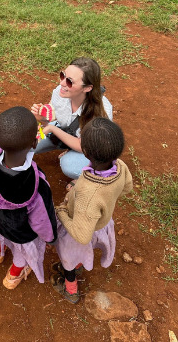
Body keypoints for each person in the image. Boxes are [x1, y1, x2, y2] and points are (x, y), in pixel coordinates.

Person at [0, 106, 58, 289]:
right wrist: (50, 238)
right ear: (35, 143)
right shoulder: (37, 185)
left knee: (0, 239)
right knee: (22, 255)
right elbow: (42, 219)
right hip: (21, 234)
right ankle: (13, 276)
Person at [51, 118, 133, 303]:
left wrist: (61, 212)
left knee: (68, 257)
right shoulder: (119, 166)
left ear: (85, 152)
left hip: (79, 230)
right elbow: (127, 187)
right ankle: (78, 264)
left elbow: (81, 236)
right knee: (76, 255)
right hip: (100, 224)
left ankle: (71, 289)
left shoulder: (89, 194)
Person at [30, 57, 113, 181]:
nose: (62, 83)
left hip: (90, 148)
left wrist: (52, 128)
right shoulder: (61, 92)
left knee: (69, 165)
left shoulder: (101, 113)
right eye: (62, 76)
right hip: (67, 131)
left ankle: (91, 174)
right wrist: (42, 118)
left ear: (87, 88)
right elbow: (55, 117)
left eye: (70, 81)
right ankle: (69, 149)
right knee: (29, 142)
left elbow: (84, 146)